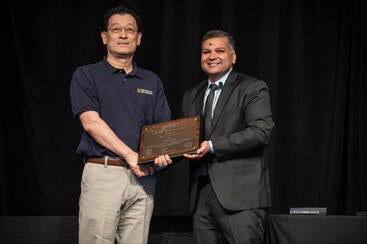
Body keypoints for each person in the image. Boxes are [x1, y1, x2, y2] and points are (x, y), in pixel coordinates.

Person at [69, 5, 172, 244]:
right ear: (105, 37)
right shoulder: (86, 75)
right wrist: (130, 154)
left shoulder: (152, 81)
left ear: (139, 38)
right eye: (116, 30)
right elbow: (91, 123)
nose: (123, 35)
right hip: (104, 172)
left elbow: (164, 131)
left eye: (129, 30)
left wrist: (163, 157)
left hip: (143, 177)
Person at [181, 30, 275, 243]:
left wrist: (213, 145)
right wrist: (158, 158)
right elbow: (184, 140)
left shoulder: (252, 87)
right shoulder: (191, 95)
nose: (211, 56)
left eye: (219, 50)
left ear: (233, 57)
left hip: (241, 198)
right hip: (201, 197)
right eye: (206, 51)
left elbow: (261, 132)